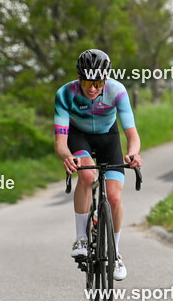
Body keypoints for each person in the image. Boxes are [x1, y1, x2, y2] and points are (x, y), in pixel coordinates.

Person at [54, 49, 143, 281]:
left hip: (108, 137)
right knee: (87, 176)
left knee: (114, 197)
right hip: (79, 136)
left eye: (98, 82)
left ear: (106, 79)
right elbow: (61, 142)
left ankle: (116, 253)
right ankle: (81, 238)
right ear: (79, 78)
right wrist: (67, 156)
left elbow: (131, 133)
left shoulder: (117, 91)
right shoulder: (65, 94)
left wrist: (133, 153)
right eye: (86, 81)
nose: (92, 88)